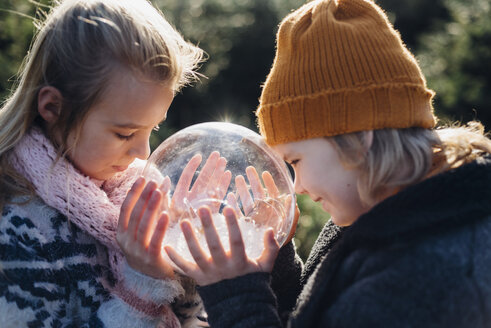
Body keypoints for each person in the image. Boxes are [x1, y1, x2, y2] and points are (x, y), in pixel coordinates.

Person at [160, 0, 491, 327]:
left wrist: (235, 295)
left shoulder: (429, 276)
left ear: (359, 140)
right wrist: (271, 266)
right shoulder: (375, 209)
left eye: (296, 160)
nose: (298, 186)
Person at [0, 0, 208, 326]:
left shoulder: (131, 189)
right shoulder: (16, 225)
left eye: (152, 129)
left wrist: (182, 256)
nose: (143, 152)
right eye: (125, 134)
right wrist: (143, 283)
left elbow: (189, 317)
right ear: (53, 107)